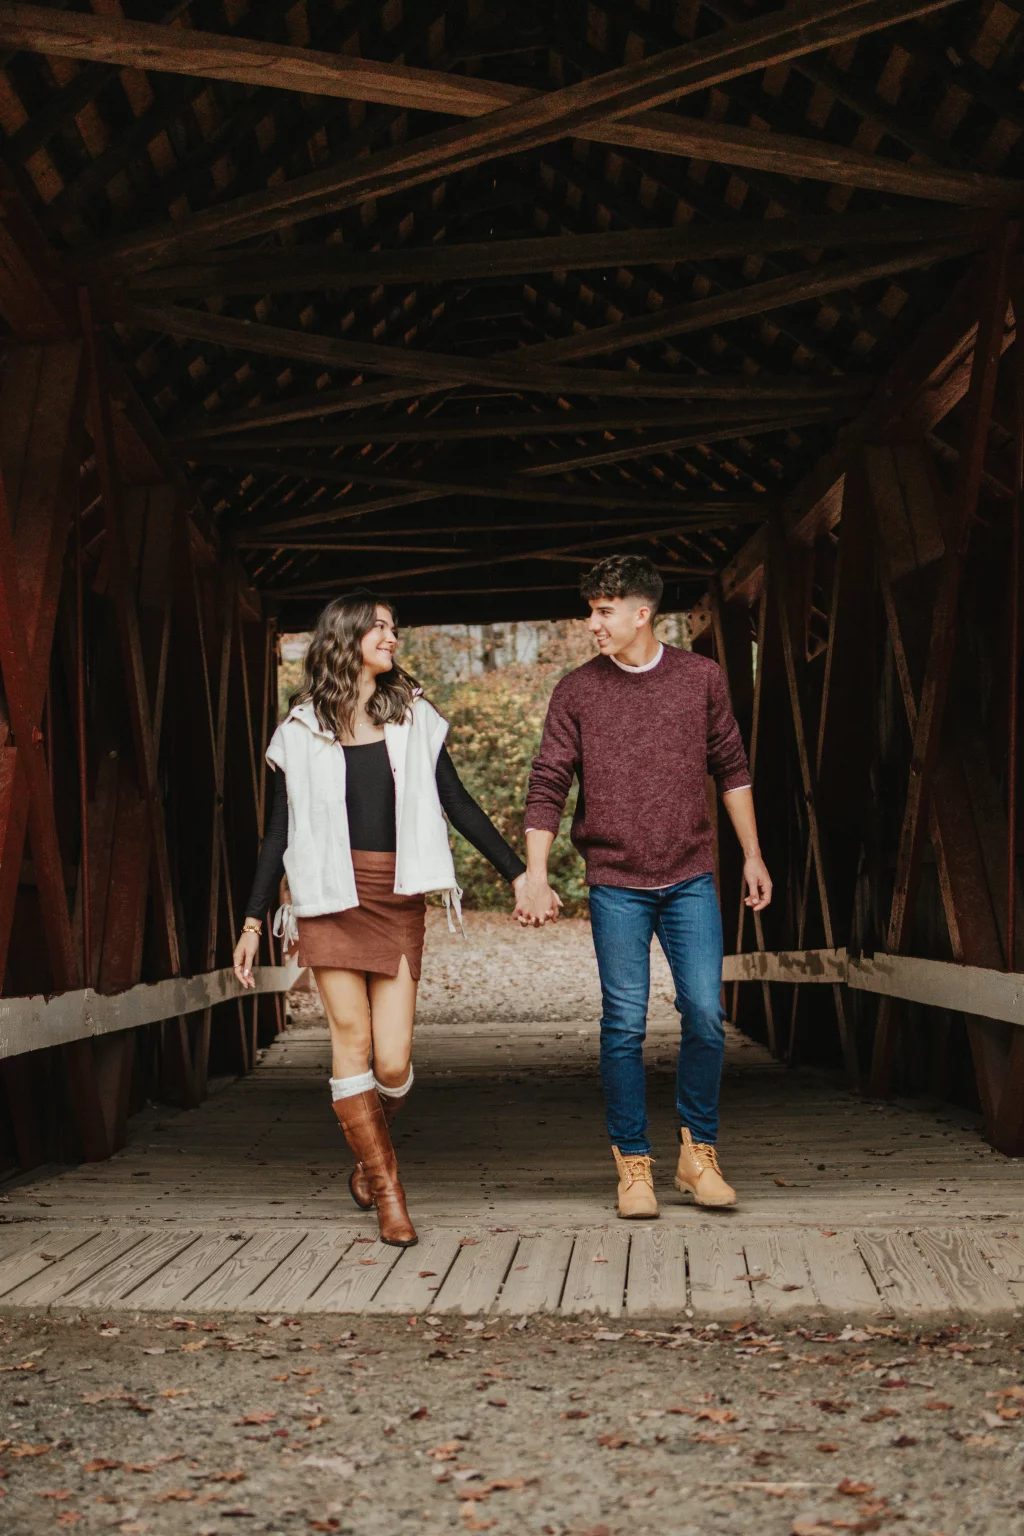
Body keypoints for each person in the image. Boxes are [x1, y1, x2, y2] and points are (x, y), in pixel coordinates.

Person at [233, 592, 527, 1248]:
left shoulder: (414, 717)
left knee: (392, 1063)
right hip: (329, 898)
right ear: (347, 637)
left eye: (394, 628)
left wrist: (518, 872)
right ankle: (388, 1187)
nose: (392, 637)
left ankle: (367, 1157)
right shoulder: (301, 728)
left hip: (396, 899)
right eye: (380, 627)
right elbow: (278, 831)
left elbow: (457, 802)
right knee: (351, 1039)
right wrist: (254, 921)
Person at [516, 555, 771, 1219]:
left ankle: (698, 1154)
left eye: (603, 610)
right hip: (616, 882)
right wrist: (536, 874)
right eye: (591, 610)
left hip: (690, 874)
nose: (592, 623)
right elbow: (548, 784)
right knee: (624, 1025)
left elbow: (733, 769)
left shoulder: (701, 679)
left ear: (641, 613)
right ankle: (634, 1167)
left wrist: (752, 854)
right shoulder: (576, 691)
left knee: (706, 1017)